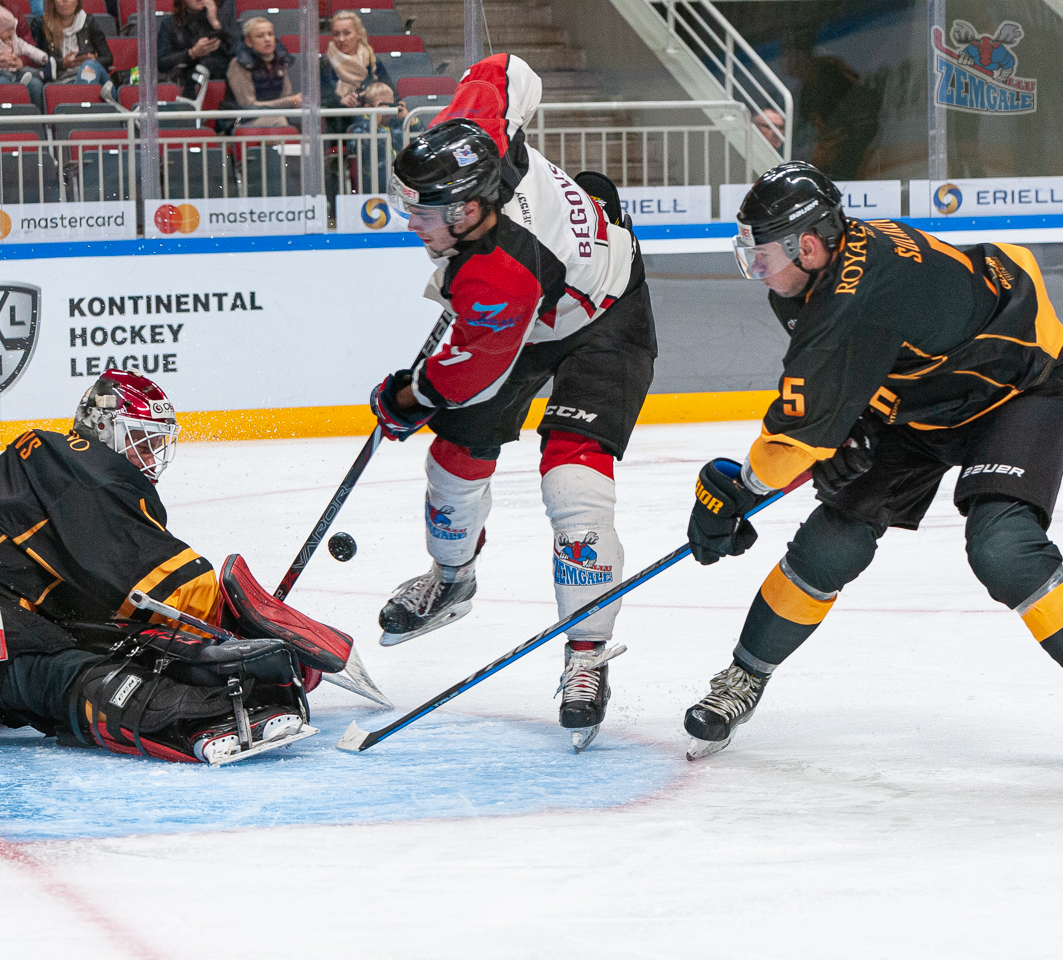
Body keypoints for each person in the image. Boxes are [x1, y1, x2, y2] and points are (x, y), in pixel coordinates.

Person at [682, 161, 1063, 759]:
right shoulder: (816, 278)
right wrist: (847, 426)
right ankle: (745, 676)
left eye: (763, 256)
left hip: (1017, 388)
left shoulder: (849, 297)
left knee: (1005, 549)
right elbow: (854, 377)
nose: (757, 269)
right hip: (923, 399)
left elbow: (791, 441)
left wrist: (738, 492)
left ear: (807, 244)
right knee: (834, 541)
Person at [367, 55, 657, 752]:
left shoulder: (499, 269)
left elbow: (459, 378)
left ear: (468, 208)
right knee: (455, 459)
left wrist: (405, 398)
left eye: (422, 210)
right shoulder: (470, 134)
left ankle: (585, 654)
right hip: (532, 306)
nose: (410, 220)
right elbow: (503, 66)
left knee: (573, 483)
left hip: (603, 316)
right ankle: (451, 578)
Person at [0, 371, 362, 764]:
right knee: (62, 674)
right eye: (142, 441)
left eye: (157, 443)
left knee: (87, 647)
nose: (151, 456)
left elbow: (113, 605)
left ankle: (206, 701)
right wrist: (235, 624)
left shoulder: (64, 470)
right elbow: (170, 585)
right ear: (102, 429)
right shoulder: (77, 468)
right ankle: (195, 718)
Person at [319, 10, 390, 132]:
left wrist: (368, 96)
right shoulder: (325, 64)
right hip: (339, 127)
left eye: (346, 33)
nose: (341, 39)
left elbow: (390, 92)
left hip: (373, 124)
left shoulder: (372, 61)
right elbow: (320, 97)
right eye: (336, 34)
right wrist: (340, 100)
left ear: (358, 34)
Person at [157, 0, 238, 99]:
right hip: (186, 79)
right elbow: (162, 62)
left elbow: (237, 52)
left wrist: (215, 23)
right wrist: (191, 53)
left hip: (222, 78)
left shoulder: (223, 20)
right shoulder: (169, 23)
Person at [225, 16, 299, 124]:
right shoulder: (239, 64)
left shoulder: (281, 59)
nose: (267, 39)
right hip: (243, 122)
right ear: (248, 41)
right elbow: (248, 105)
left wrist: (293, 101)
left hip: (274, 117)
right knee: (279, 122)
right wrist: (289, 101)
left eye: (270, 34)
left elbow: (286, 97)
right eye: (260, 36)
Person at [30, 0, 113, 86]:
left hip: (90, 76)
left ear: (77, 2)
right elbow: (36, 63)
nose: (65, 1)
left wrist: (92, 61)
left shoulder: (89, 22)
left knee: (89, 67)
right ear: (53, 2)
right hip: (59, 81)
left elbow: (107, 58)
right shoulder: (41, 25)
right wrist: (63, 63)